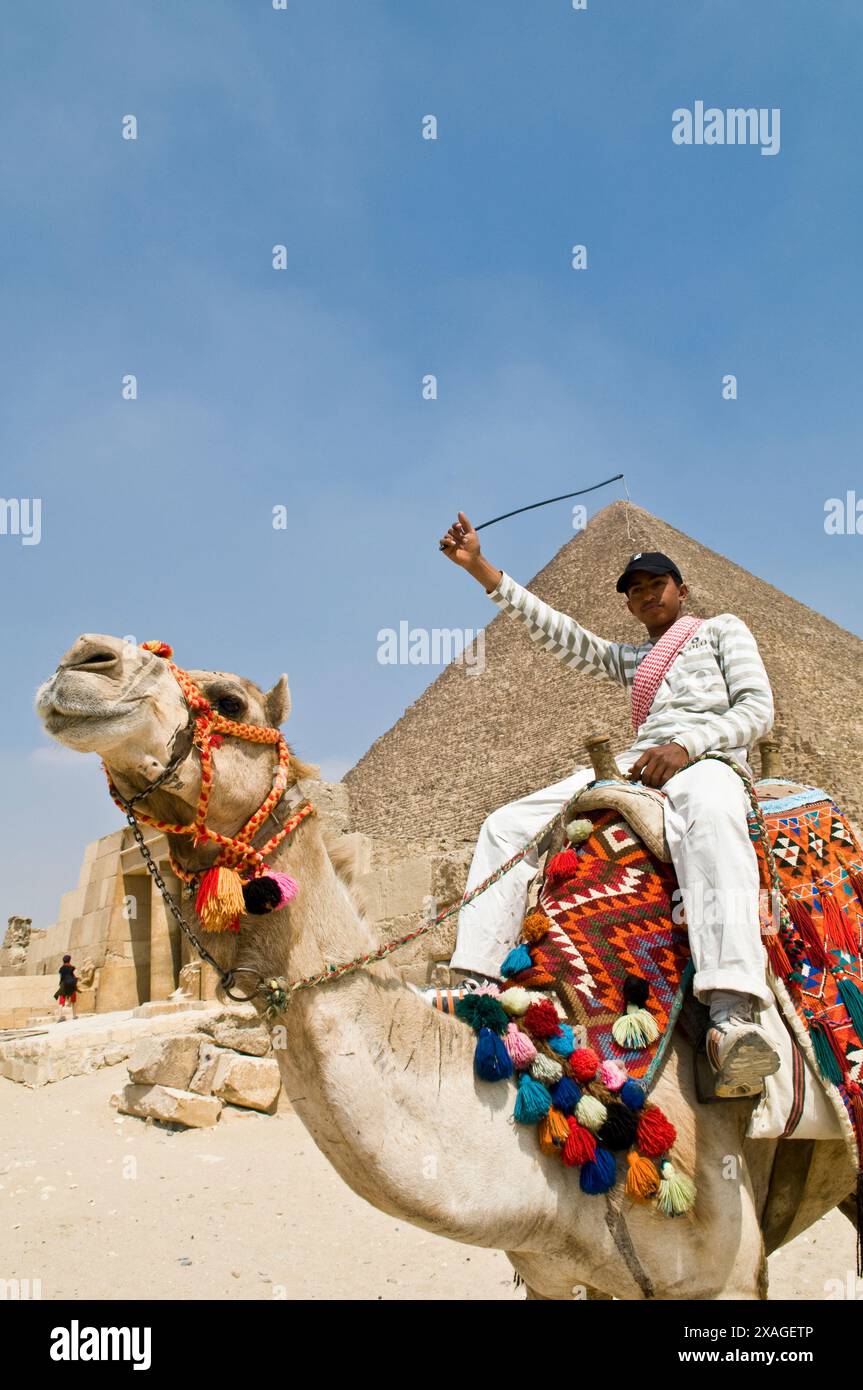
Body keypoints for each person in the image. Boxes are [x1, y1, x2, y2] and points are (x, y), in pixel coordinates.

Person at [424, 511, 781, 1097]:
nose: (645, 595)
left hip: (708, 760)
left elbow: (757, 710)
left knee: (714, 817)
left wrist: (687, 744)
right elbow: (561, 634)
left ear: (682, 589)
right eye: (634, 591)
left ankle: (731, 1013)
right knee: (505, 825)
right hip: (640, 765)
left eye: (655, 584)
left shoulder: (721, 630)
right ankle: (477, 982)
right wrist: (480, 570)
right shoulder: (635, 660)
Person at [54, 954, 79, 1021]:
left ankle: (59, 1017)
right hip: (71, 985)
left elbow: (61, 977)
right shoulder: (72, 967)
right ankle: (74, 1015)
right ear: (69, 960)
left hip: (63, 985)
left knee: (61, 1001)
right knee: (73, 1001)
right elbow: (75, 976)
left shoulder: (61, 969)